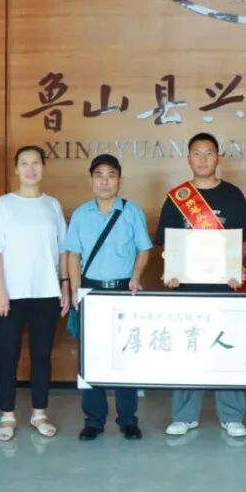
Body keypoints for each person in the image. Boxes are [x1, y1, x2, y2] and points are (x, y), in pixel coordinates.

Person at [155, 132, 246, 438]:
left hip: (226, 287)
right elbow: (167, 242)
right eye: (196, 153)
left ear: (217, 157)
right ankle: (185, 416)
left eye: (208, 153)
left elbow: (245, 238)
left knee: (228, 348)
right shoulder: (178, 197)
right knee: (189, 349)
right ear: (188, 158)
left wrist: (234, 268)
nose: (202, 159)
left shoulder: (233, 195)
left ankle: (232, 415)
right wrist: (172, 271)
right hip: (188, 289)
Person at [0, 145, 69, 441]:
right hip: (11, 294)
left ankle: (39, 412)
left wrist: (64, 284)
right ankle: (7, 415)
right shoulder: (4, 205)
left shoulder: (52, 205)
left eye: (36, 163)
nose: (31, 169)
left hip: (46, 292)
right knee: (8, 355)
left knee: (42, 355)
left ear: (43, 167)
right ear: (16, 169)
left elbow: (63, 250)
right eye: (24, 164)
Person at [65, 154, 152, 441]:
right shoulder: (81, 214)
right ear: (91, 180)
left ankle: (128, 419)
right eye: (99, 175)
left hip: (123, 290)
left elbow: (144, 249)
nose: (105, 181)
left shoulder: (132, 211)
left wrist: (136, 276)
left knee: (125, 354)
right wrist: (76, 290)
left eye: (111, 175)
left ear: (119, 180)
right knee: (91, 357)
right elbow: (73, 254)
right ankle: (94, 420)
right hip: (90, 290)